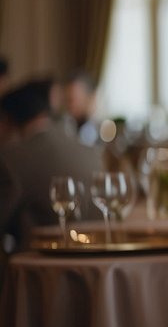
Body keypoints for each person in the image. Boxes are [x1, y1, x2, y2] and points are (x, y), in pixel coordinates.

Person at [0, 79, 105, 251]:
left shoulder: (10, 160)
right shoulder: (91, 151)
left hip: (41, 270)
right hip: (100, 264)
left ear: (9, 122)